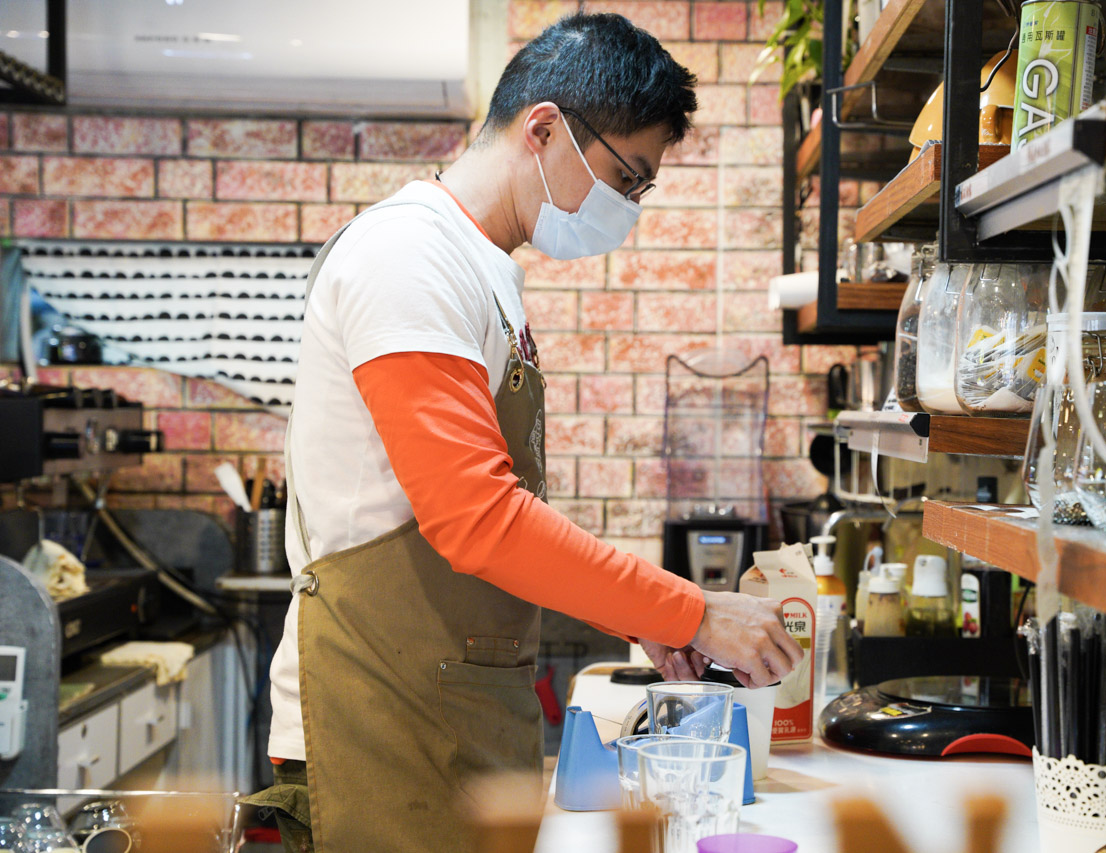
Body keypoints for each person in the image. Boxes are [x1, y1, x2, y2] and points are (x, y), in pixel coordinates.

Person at [244, 13, 804, 853]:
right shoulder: (408, 255)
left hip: (447, 715)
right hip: (374, 724)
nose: (629, 209)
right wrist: (689, 610)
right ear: (543, 128)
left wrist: (639, 614)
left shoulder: (482, 270)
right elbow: (476, 517)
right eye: (628, 177)